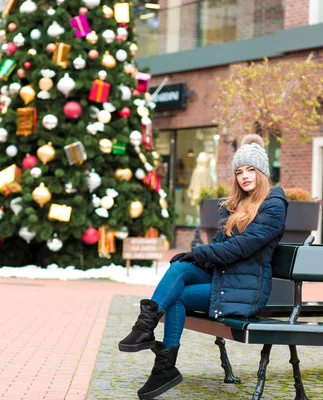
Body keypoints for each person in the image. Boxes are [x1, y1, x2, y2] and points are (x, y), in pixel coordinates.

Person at [118, 134, 288, 400]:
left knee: (177, 296)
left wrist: (198, 253)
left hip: (244, 291)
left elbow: (239, 248)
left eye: (251, 170)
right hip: (224, 279)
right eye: (239, 171)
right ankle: (148, 334)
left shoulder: (273, 207)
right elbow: (220, 249)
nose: (244, 176)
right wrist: (193, 257)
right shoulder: (234, 206)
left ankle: (161, 360)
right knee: (179, 269)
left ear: (262, 173)